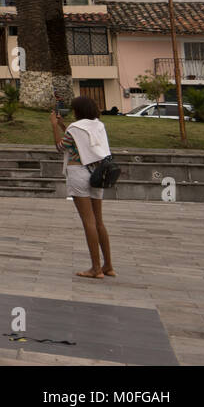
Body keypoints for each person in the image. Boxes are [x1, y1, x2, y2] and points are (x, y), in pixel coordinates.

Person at [51, 96, 115, 280]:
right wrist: (65, 126)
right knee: (99, 221)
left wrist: (54, 126)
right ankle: (108, 265)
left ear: (78, 110)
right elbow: (81, 144)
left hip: (79, 173)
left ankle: (96, 268)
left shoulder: (75, 128)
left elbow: (60, 147)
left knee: (88, 221)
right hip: (97, 174)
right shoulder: (99, 126)